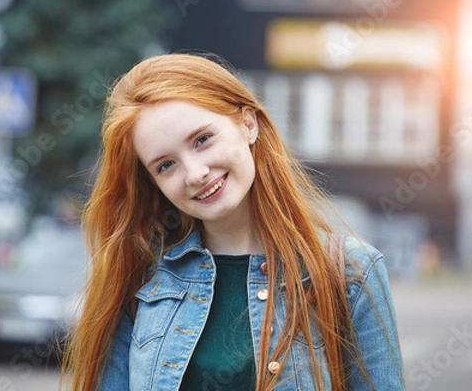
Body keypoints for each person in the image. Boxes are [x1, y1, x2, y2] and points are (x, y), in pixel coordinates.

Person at [61, 53, 404, 390]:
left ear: (248, 124)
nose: (195, 174)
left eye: (202, 140)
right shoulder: (141, 279)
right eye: (166, 165)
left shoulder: (350, 273)